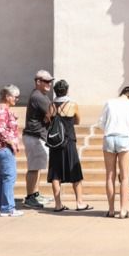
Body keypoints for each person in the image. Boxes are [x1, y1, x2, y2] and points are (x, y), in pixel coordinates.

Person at [98, 85, 129, 219]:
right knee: (124, 177)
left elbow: (101, 123)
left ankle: (111, 209)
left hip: (109, 138)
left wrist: (109, 129)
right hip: (124, 138)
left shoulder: (109, 103)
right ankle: (124, 210)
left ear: (122, 93)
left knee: (109, 176)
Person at [46, 79, 91, 212]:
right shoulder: (72, 104)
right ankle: (79, 202)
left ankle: (58, 204)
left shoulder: (51, 105)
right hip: (69, 141)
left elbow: (49, 119)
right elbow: (77, 120)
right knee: (75, 172)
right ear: (67, 90)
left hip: (55, 143)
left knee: (55, 174)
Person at [0, 85, 24, 217]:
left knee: (2, 178)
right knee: (9, 177)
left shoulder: (1, 109)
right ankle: (7, 208)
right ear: (8, 97)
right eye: (15, 96)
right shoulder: (2, 110)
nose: (17, 99)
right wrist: (12, 143)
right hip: (3, 148)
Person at [20, 70, 55, 209]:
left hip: (38, 137)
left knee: (38, 167)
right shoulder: (38, 97)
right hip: (34, 137)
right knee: (33, 169)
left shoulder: (41, 95)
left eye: (50, 81)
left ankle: (35, 194)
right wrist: (49, 115)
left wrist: (49, 115)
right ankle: (30, 197)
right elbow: (52, 113)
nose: (49, 84)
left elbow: (50, 114)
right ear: (38, 82)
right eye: (46, 81)